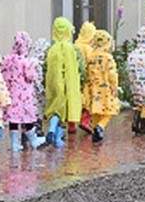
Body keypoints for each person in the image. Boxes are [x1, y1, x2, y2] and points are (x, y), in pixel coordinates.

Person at [1, 32, 45, 151]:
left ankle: (14, 143)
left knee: (13, 119)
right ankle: (33, 139)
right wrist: (34, 67)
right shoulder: (25, 61)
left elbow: (3, 74)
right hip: (24, 95)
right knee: (28, 118)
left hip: (12, 94)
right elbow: (31, 77)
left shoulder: (8, 59)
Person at [45, 17, 82, 147]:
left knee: (56, 107)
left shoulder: (53, 49)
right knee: (65, 110)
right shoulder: (69, 48)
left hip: (54, 82)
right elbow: (71, 68)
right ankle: (57, 137)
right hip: (66, 83)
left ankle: (51, 129)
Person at [83, 30, 119, 143]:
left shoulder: (90, 57)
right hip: (105, 87)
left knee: (96, 110)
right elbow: (112, 74)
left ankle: (95, 131)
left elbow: (87, 72)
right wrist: (115, 86)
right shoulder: (108, 58)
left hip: (93, 87)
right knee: (109, 110)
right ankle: (101, 127)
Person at [75, 21, 96, 134]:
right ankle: (85, 121)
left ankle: (71, 125)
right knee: (87, 100)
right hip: (86, 78)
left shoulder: (75, 45)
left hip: (75, 77)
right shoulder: (89, 49)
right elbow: (91, 64)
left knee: (75, 100)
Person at [30, 38, 50, 137]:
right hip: (37, 92)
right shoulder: (38, 63)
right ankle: (38, 129)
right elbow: (37, 79)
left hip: (29, 92)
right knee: (38, 111)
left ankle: (26, 133)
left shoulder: (30, 60)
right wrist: (43, 90)